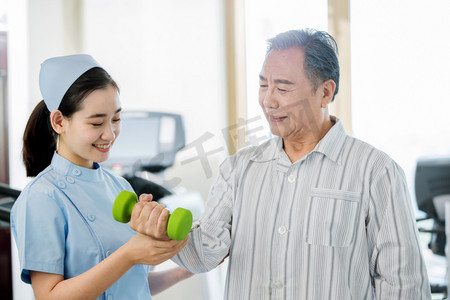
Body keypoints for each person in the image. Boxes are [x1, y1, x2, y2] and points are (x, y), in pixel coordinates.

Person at [130, 29, 433, 299]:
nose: (268, 100)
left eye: (283, 88)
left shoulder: (375, 171)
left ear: (325, 92)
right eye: (264, 85)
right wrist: (163, 230)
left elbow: (403, 285)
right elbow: (205, 254)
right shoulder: (239, 169)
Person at [10, 54, 193, 300]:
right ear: (59, 122)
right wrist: (130, 253)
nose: (110, 134)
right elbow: (49, 296)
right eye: (96, 124)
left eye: (116, 119)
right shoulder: (41, 198)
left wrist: (190, 268)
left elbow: (130, 285)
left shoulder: (119, 186)